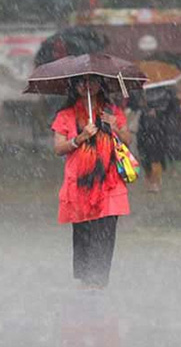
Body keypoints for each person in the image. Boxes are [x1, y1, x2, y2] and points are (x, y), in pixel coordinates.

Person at [51, 75, 132, 289]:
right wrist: (80, 138)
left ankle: (98, 281)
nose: (87, 86)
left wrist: (115, 126)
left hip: (109, 182)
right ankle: (86, 280)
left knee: (105, 234)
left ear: (101, 85)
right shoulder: (65, 115)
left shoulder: (111, 112)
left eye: (92, 82)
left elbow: (128, 140)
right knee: (84, 233)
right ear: (74, 87)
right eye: (81, 82)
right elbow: (58, 148)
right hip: (79, 184)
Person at [132, 86, 181, 193]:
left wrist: (159, 112)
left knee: (156, 157)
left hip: (159, 129)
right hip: (145, 128)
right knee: (145, 157)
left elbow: (173, 108)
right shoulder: (142, 88)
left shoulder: (167, 90)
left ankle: (155, 182)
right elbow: (134, 104)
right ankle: (151, 179)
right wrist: (142, 104)